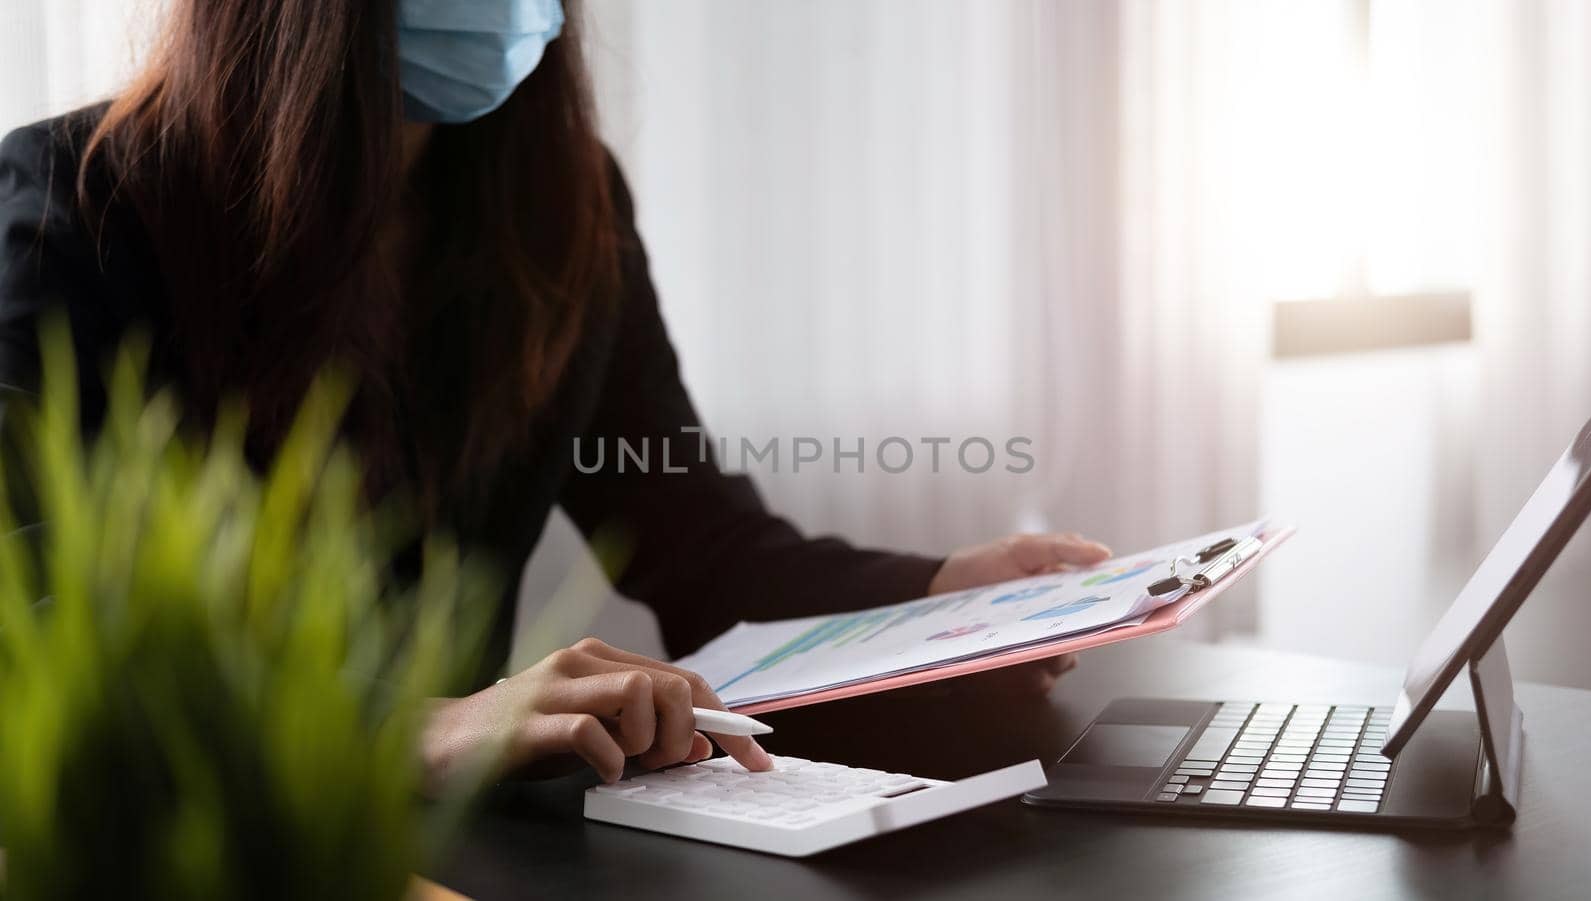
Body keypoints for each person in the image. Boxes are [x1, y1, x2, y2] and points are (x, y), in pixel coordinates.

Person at [0, 0, 1111, 786]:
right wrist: (415, 728)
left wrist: (941, 589)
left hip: (469, 838)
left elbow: (701, 549)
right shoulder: (73, 201)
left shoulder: (565, 206)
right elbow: (44, 641)